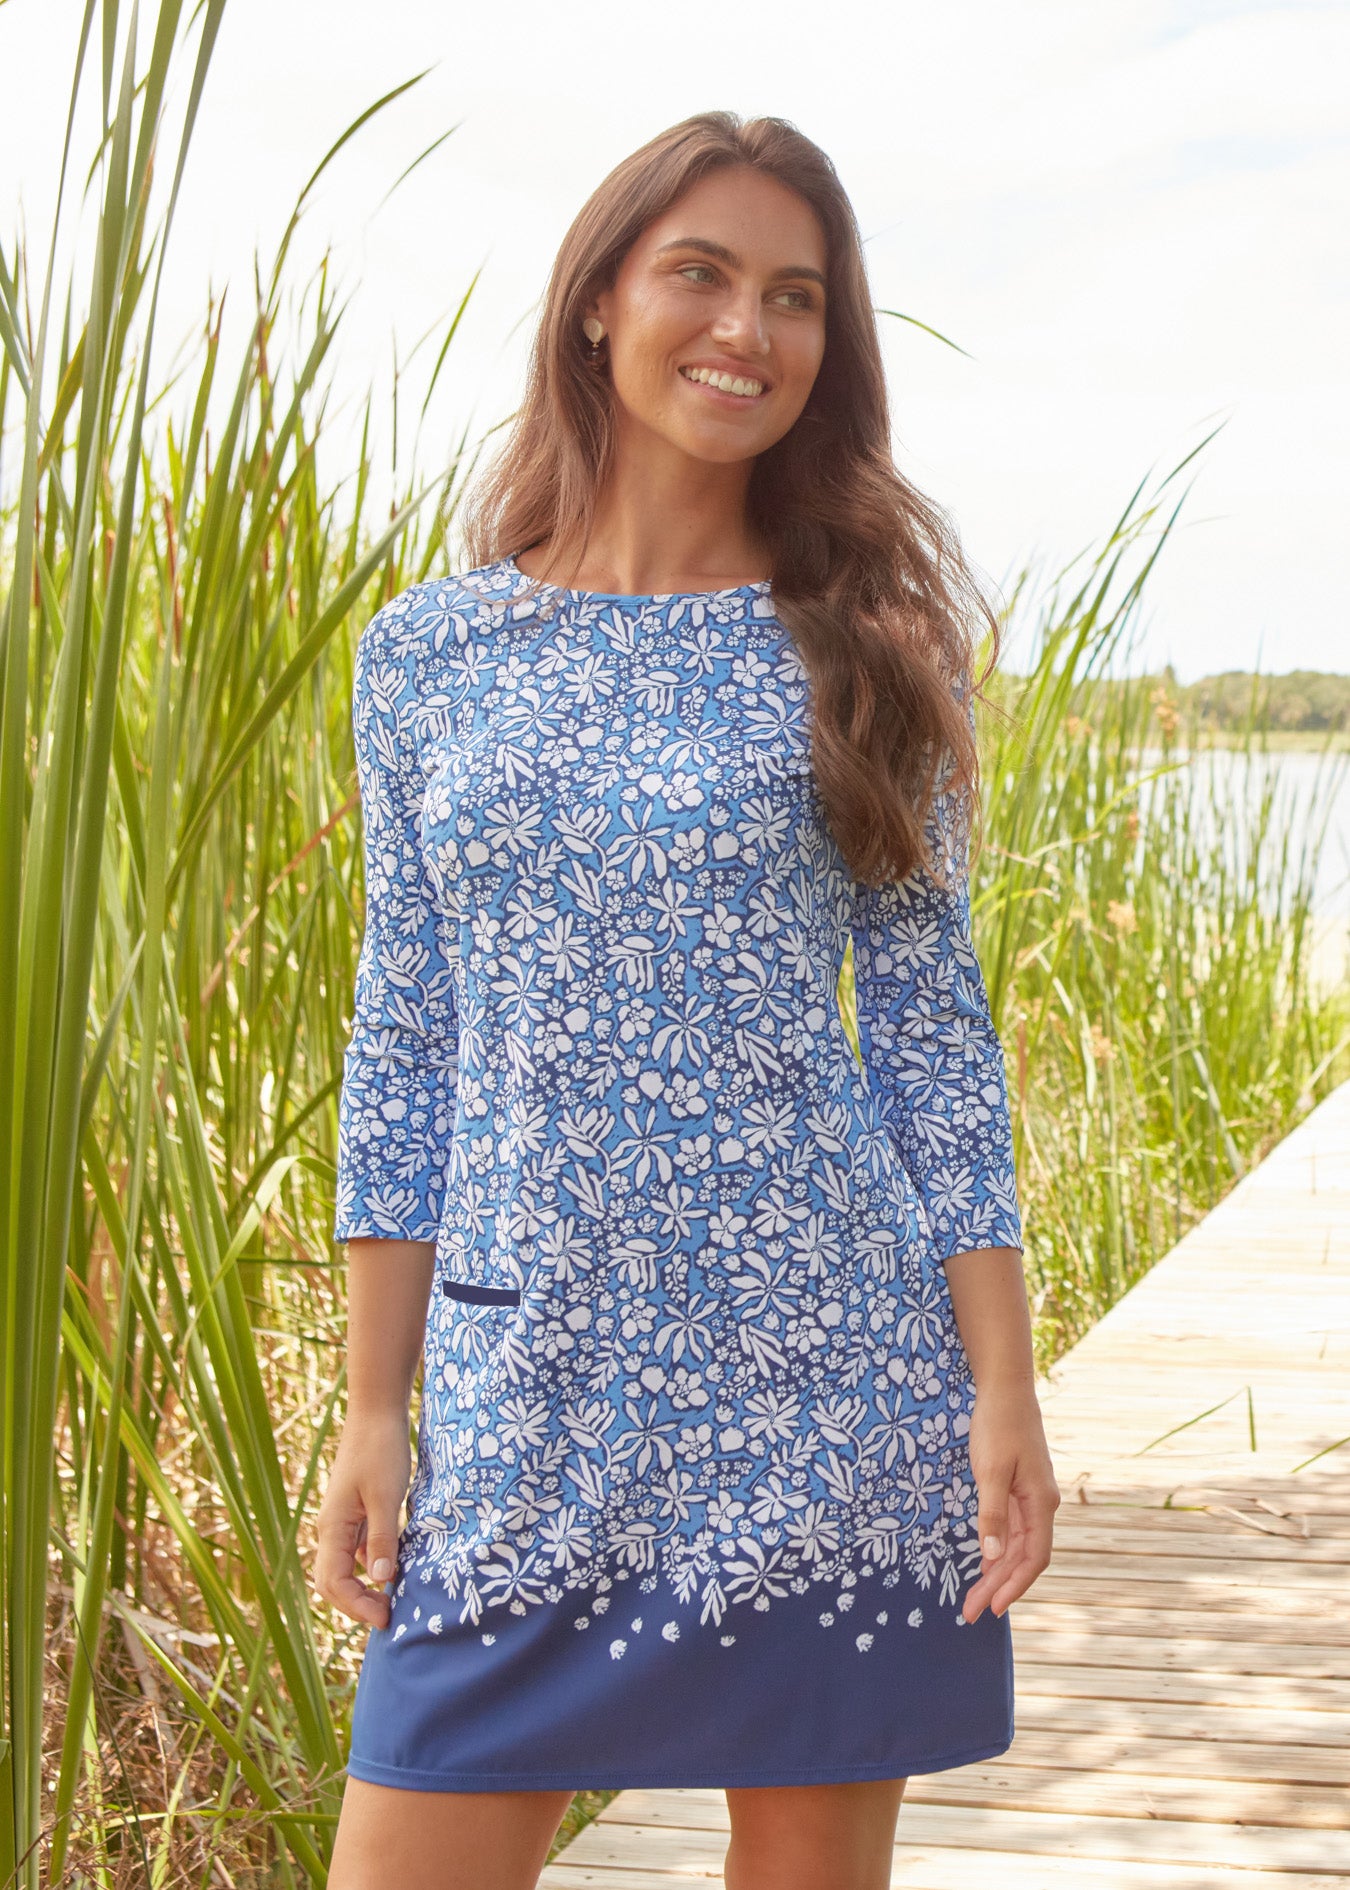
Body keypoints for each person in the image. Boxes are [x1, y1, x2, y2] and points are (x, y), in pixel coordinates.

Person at [314, 109, 1059, 1890]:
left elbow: (933, 1043)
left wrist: (1003, 1383)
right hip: (527, 1401)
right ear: (598, 302)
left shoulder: (865, 651)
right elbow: (407, 1039)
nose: (748, 328)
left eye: (795, 296)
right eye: (701, 274)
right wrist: (371, 1401)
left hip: (828, 1395)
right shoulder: (427, 655)